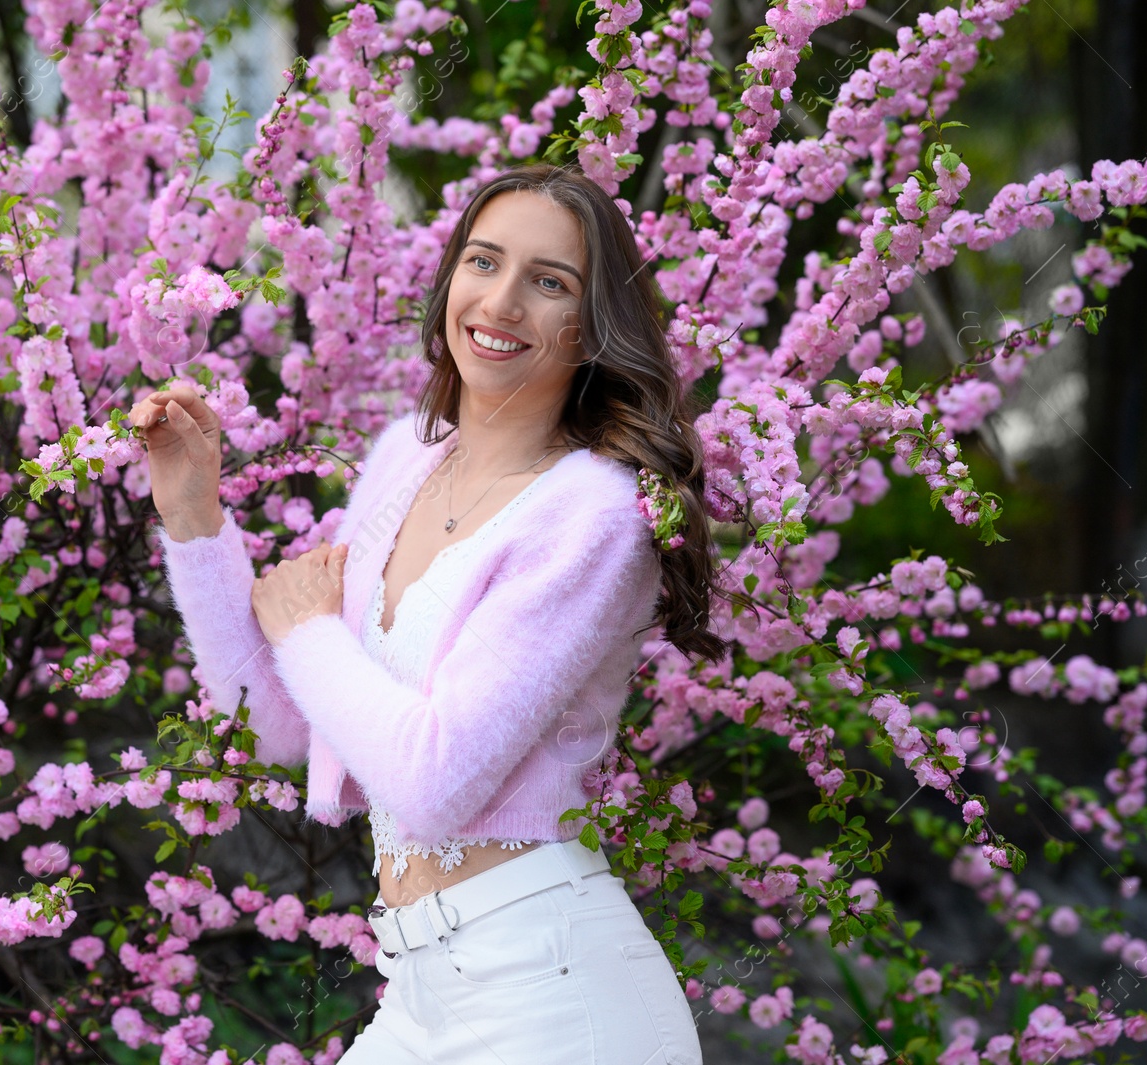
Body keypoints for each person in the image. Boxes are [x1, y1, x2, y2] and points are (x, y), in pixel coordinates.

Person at [131, 163, 726, 1064]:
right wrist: (195, 521)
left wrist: (308, 629)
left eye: (550, 281)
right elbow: (277, 724)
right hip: (419, 992)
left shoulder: (591, 514)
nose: (502, 301)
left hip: (555, 998)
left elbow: (435, 781)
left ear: (594, 326)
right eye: (483, 262)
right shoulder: (405, 462)